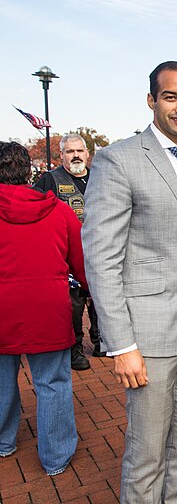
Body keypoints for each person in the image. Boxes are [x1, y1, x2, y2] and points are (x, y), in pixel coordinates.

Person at [82, 61, 177, 502]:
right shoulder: (118, 159)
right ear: (151, 100)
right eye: (171, 97)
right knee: (146, 454)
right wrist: (120, 344)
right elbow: (102, 258)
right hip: (147, 336)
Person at [0, 141, 85, 475]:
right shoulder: (59, 210)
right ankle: (56, 456)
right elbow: (81, 259)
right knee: (53, 383)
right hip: (48, 308)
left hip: (4, 307)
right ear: (28, 172)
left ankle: (4, 441)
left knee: (3, 380)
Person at [34, 133, 102, 370]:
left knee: (102, 296)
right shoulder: (49, 180)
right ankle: (75, 347)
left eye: (79, 151)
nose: (75, 156)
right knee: (73, 303)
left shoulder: (100, 177)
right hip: (66, 253)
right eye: (70, 152)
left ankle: (100, 339)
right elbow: (37, 213)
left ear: (87, 153)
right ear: (61, 155)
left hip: (100, 249)